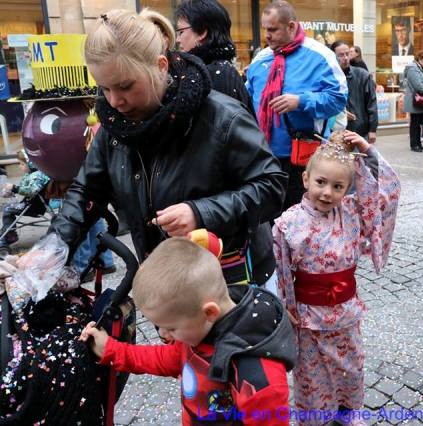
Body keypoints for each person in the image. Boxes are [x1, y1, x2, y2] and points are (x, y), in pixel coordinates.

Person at [48, 9, 287, 289]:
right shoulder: (114, 126)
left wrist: (201, 212)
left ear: (161, 66)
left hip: (231, 283)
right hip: (168, 284)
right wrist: (51, 249)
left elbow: (272, 187)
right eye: (104, 89)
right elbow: (87, 192)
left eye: (125, 86)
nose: (114, 101)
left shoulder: (222, 117)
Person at [80, 237, 295, 425]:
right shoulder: (198, 332)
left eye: (171, 328)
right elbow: (162, 359)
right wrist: (110, 349)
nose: (163, 335)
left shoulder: (258, 378)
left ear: (209, 312)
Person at [273, 130, 399, 425]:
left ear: (349, 188)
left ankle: (348, 412)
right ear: (305, 179)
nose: (327, 192)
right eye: (320, 182)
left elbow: (388, 192)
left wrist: (368, 151)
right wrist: (287, 307)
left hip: (346, 311)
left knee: (352, 368)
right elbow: (280, 268)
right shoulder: (288, 223)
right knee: (312, 374)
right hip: (308, 315)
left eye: (338, 186)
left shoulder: (353, 213)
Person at [246, 0, 347, 210]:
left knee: (301, 220)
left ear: (291, 26)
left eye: (273, 29)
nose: (267, 35)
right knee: (268, 221)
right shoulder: (260, 59)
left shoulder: (320, 56)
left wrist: (301, 101)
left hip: (302, 160)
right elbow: (246, 101)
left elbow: (338, 99)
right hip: (262, 157)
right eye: (265, 29)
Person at [175, 0, 255, 116]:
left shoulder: (216, 75)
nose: (177, 40)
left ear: (202, 32)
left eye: (181, 32)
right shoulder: (216, 70)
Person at [0, 150, 49, 253]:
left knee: (8, 209)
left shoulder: (38, 175)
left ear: (31, 163)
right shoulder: (30, 175)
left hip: (35, 206)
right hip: (29, 203)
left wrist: (15, 188)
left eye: (21, 164)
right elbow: (24, 189)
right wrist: (11, 192)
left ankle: (9, 236)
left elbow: (31, 191)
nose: (19, 166)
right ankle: (9, 232)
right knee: (7, 208)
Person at [331, 41, 378, 143]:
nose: (346, 58)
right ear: (333, 56)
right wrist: (340, 114)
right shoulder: (328, 77)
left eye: (347, 54)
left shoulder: (363, 75)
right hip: (336, 134)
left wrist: (372, 129)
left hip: (359, 131)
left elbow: (372, 103)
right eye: (341, 55)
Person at [403, 50, 423, 153]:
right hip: (415, 100)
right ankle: (414, 145)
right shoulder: (413, 69)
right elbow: (418, 85)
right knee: (415, 123)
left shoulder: (418, 68)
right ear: (420, 59)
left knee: (418, 123)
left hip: (418, 100)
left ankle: (418, 144)